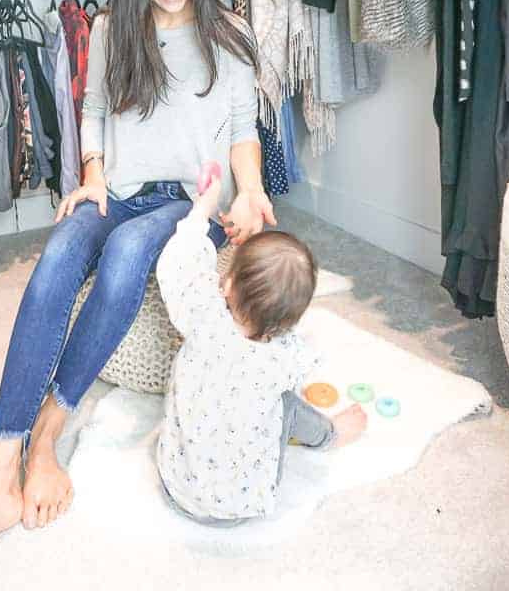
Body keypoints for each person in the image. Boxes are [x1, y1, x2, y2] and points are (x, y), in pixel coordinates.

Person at [0, 0, 276, 591]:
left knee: (123, 259)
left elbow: (242, 129)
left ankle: (49, 437)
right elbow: (92, 111)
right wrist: (90, 176)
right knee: (58, 255)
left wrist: (251, 190)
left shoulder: (231, 34)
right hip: (116, 189)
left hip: (188, 202)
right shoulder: (116, 26)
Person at [156, 175, 368, 525]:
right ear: (293, 318)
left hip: (177, 487)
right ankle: (330, 435)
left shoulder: (202, 313)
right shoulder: (287, 357)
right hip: (240, 505)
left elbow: (180, 264)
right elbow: (291, 365)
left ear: (225, 283)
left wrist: (202, 210)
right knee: (287, 404)